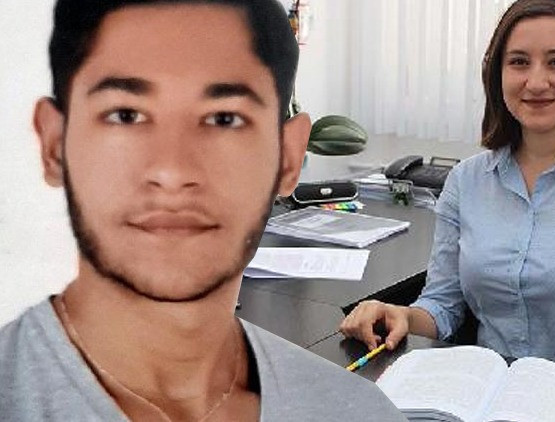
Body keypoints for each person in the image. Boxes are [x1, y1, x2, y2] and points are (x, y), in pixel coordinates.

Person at [0, 0, 406, 420]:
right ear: (54, 145)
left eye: (224, 119)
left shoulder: (359, 413)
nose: (172, 171)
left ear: (287, 158)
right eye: (126, 115)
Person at [341, 0, 555, 386]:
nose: (536, 81)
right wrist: (402, 315)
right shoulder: (466, 182)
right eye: (518, 62)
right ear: (497, 74)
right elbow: (443, 305)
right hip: (488, 394)